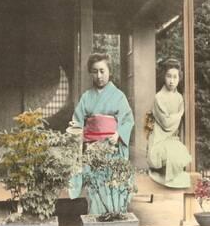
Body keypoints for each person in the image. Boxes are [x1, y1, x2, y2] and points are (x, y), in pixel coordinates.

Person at [68, 53, 135, 215]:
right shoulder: (86, 97)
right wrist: (77, 131)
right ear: (91, 73)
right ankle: (97, 216)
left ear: (109, 72)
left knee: (114, 178)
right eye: (95, 71)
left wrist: (118, 134)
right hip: (92, 149)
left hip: (113, 148)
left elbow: (128, 120)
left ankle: (115, 215)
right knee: (93, 178)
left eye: (102, 71)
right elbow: (77, 122)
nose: (99, 76)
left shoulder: (119, 96)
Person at [146, 58, 192, 188]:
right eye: (168, 76)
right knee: (172, 151)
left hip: (173, 139)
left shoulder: (179, 98)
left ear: (179, 78)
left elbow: (175, 122)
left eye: (175, 77)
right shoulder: (159, 97)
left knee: (180, 151)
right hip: (159, 140)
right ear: (164, 77)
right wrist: (178, 115)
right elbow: (166, 124)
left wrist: (174, 116)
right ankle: (161, 173)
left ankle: (170, 176)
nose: (171, 81)